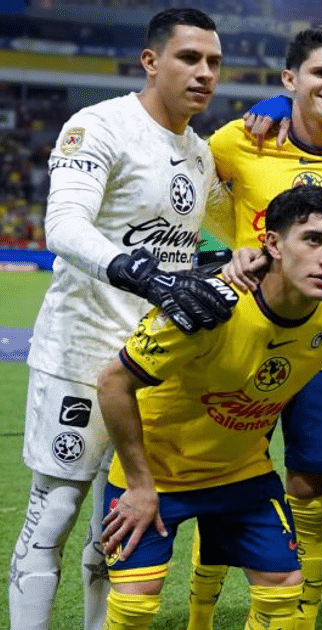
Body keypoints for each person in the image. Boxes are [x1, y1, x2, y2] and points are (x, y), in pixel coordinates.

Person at [97, 185, 322, 630]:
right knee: (135, 606)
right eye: (313, 239)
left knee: (284, 581)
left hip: (241, 472)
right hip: (157, 476)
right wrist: (138, 484)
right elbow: (114, 383)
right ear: (272, 243)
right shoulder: (210, 305)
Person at [10, 9, 235, 630]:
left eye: (214, 62)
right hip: (80, 357)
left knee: (121, 525)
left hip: (151, 366)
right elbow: (63, 226)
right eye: (189, 58)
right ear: (151, 61)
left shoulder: (199, 155)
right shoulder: (99, 125)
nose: (204, 73)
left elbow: (224, 232)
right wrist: (145, 273)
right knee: (53, 514)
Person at [187, 25, 322, 630]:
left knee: (312, 489)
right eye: (321, 74)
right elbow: (184, 203)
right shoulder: (239, 140)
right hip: (238, 344)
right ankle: (200, 616)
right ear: (290, 80)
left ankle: (301, 615)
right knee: (221, 483)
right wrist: (214, 256)